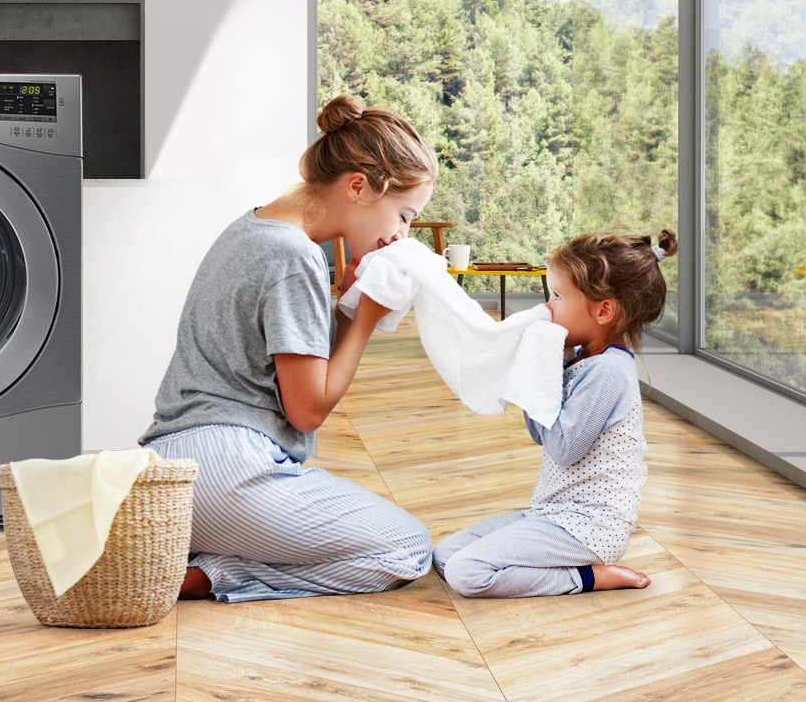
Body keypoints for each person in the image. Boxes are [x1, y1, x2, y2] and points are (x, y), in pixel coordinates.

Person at [140, 93, 438, 602]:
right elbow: (308, 410)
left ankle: (191, 555)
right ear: (359, 187)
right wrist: (365, 319)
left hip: (168, 469)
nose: (402, 234)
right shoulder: (294, 255)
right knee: (407, 548)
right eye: (405, 215)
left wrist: (344, 303)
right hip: (224, 472)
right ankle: (205, 576)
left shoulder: (253, 227)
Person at [432, 229, 679, 598]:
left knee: (466, 573)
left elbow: (564, 448)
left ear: (604, 310)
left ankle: (590, 577)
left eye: (559, 296)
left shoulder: (609, 371)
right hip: (551, 514)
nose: (548, 306)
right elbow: (540, 433)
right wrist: (544, 364)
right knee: (444, 555)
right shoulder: (578, 358)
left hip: (590, 527)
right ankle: (560, 563)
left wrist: (545, 367)